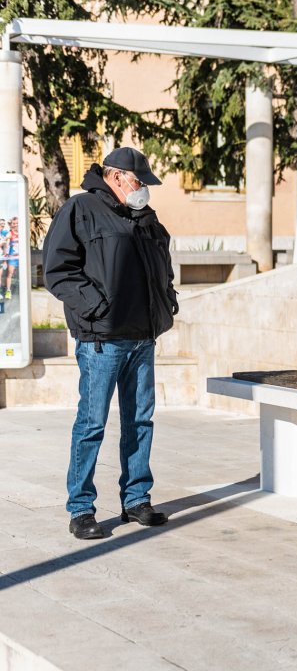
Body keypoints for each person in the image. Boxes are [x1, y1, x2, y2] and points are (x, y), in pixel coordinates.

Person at [43, 148, 179, 541]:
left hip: (142, 339)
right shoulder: (80, 209)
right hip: (102, 341)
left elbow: (162, 266)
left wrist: (166, 298)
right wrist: (97, 308)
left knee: (139, 421)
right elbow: (58, 271)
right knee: (92, 424)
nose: (145, 190)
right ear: (117, 177)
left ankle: (136, 499)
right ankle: (81, 508)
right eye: (141, 182)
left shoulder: (144, 218)